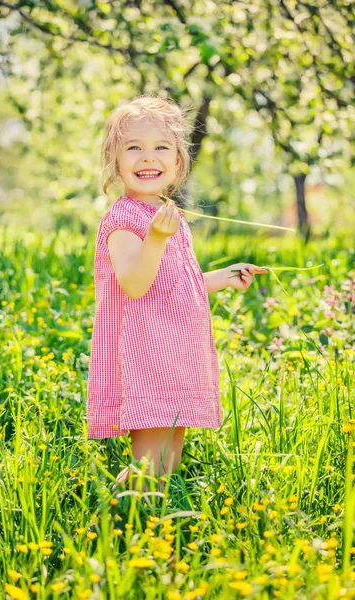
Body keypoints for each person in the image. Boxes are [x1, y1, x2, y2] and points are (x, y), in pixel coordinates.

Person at [86, 94, 267, 494]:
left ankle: (150, 523)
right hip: (146, 356)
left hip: (175, 353)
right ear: (114, 161)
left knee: (168, 460)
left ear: (178, 162)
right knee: (149, 463)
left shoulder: (167, 218)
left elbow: (172, 284)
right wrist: (154, 238)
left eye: (161, 147)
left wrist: (223, 276)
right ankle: (115, 521)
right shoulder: (123, 219)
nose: (147, 157)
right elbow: (135, 283)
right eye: (133, 147)